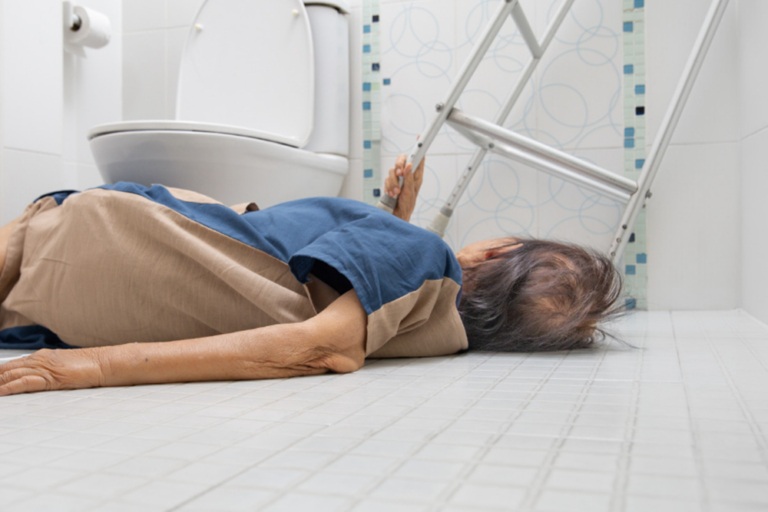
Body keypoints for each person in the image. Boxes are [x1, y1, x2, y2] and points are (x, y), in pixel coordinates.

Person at [0, 155, 621, 396]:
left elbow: (319, 344)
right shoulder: (433, 332)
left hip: (102, 231)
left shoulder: (429, 256)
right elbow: (334, 292)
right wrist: (396, 218)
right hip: (72, 307)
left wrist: (98, 367)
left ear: (493, 255)